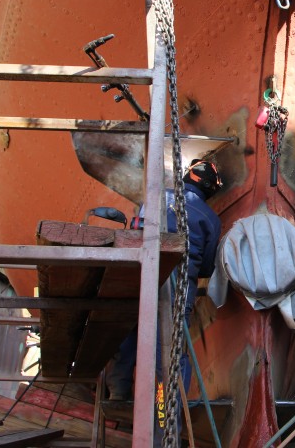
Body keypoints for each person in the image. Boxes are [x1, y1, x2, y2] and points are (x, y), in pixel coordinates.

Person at [106, 159, 223, 427]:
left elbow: (136, 233)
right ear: (210, 188)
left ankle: (118, 390)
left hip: (141, 279)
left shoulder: (155, 198)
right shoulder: (210, 219)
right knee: (168, 357)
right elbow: (205, 266)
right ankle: (163, 416)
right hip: (177, 291)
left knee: (131, 334)